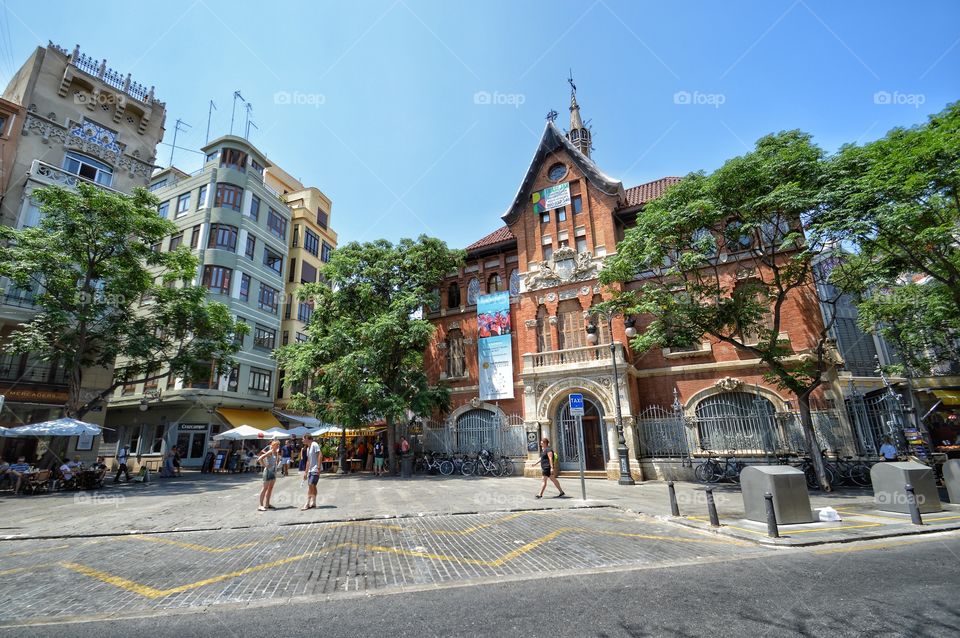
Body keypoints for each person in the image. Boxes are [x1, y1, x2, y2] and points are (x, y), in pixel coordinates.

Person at [258, 440, 280, 511]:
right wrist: (265, 465)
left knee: (270, 488)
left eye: (278, 445)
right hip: (268, 471)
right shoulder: (270, 451)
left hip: (273, 471)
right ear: (273, 445)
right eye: (276, 445)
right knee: (265, 488)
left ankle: (267, 504)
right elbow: (260, 458)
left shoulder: (275, 452)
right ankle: (260, 505)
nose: (278, 446)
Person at [301, 433, 321, 510]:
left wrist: (318, 468)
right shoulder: (308, 448)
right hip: (311, 470)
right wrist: (306, 472)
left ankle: (307, 503)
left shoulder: (314, 444)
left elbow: (320, 455)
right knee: (313, 486)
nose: (302, 440)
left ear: (307, 438)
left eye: (303, 439)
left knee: (310, 485)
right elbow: (308, 461)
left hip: (315, 469)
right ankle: (314, 502)